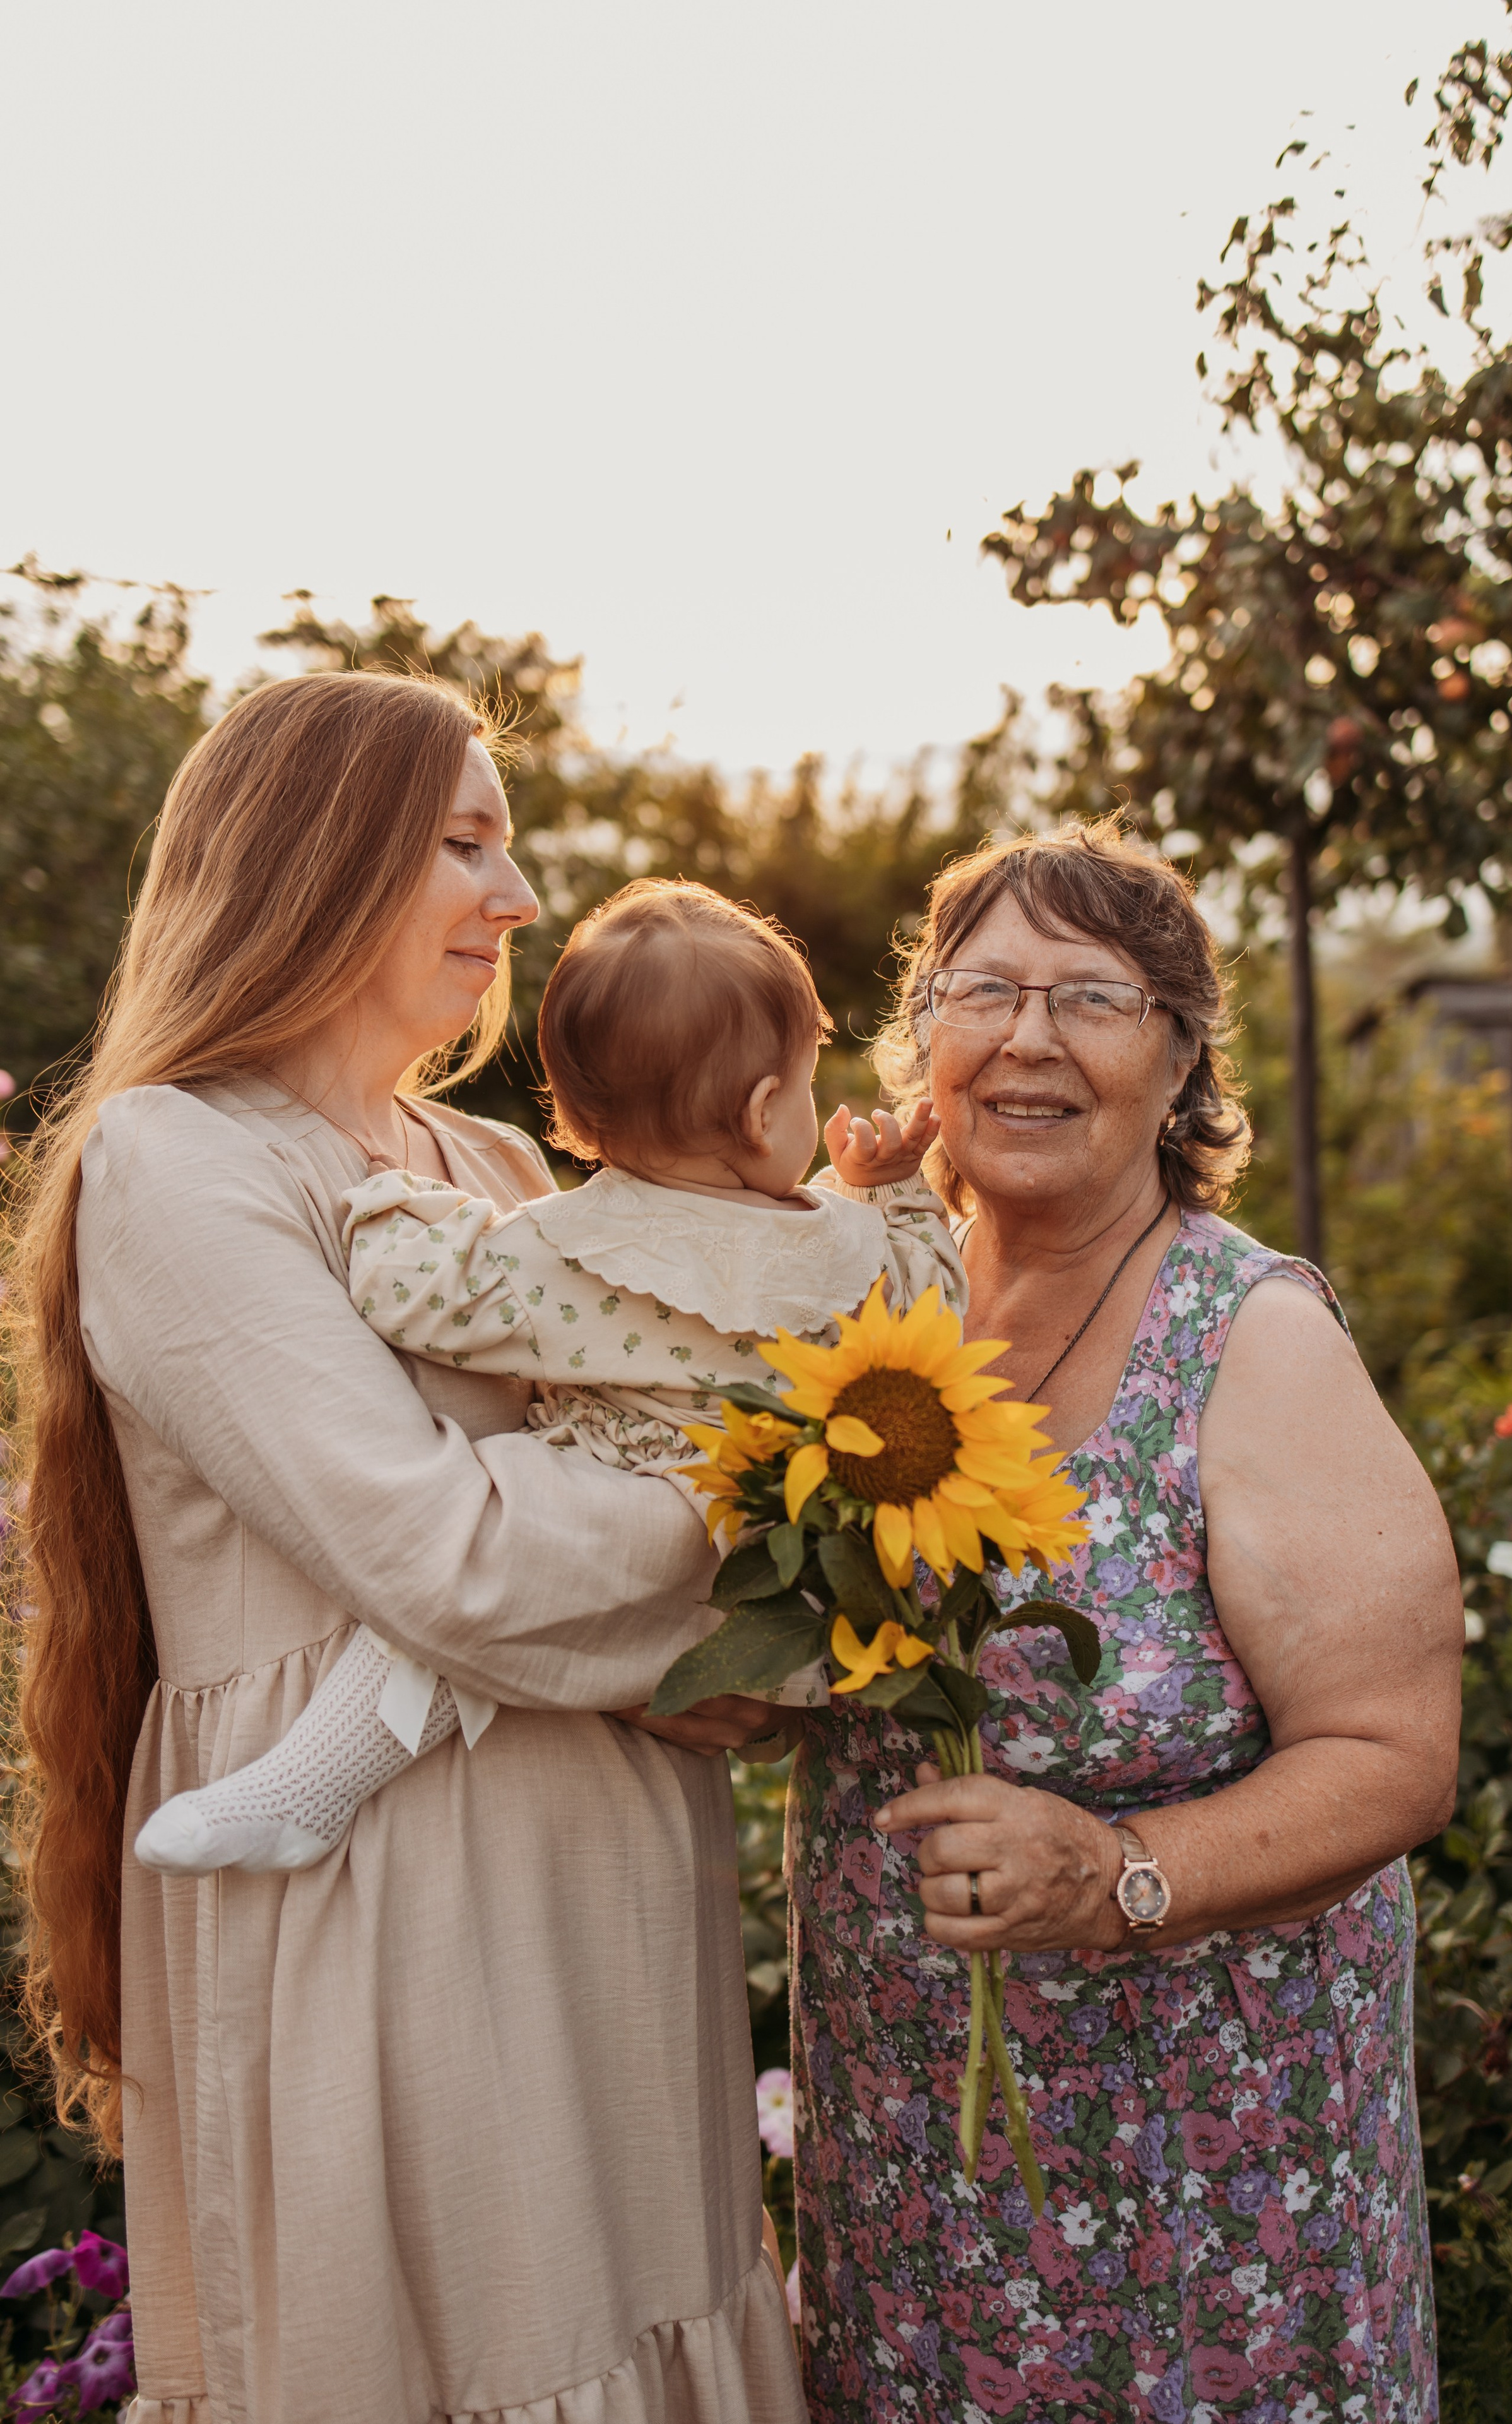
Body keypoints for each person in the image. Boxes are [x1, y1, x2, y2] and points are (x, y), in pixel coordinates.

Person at [7, 672, 807, 2424]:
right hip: (397, 1904)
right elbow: (444, 1556)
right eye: (462, 845)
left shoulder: (500, 1164)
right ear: (314, 860)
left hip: (619, 1907)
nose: (515, 900)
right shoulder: (180, 1161)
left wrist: (733, 1599)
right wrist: (759, 1517)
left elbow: (654, 1452)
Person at [784, 824, 1463, 2423]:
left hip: (1203, 2205)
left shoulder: (1249, 1340)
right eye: (981, 992)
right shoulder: (871, 1299)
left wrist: (1112, 1876)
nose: (1025, 1039)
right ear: (925, 1040)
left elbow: (1391, 1757)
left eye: (1090, 999)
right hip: (906, 2164)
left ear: (1177, 1066)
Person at [132, 878, 965, 1878]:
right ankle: (301, 1794)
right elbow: (935, 1307)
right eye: (807, 1079)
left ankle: (309, 1785)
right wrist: (896, 1193)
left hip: (606, 1501)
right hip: (775, 1554)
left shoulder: (569, 1249)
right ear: (761, 1111)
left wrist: (386, 1199)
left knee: (451, 1605)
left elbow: (416, 1295)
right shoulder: (841, 1245)